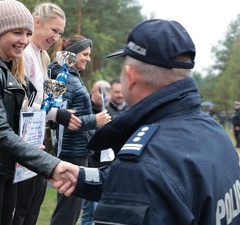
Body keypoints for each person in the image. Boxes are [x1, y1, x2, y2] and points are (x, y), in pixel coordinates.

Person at [53, 19, 240, 225]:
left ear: (130, 76)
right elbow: (176, 187)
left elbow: (150, 178)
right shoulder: (215, 133)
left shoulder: (142, 164)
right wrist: (85, 178)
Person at [0, 1, 77, 225]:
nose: (24, 40)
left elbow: (19, 116)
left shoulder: (10, 65)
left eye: (28, 33)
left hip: (5, 166)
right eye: (16, 32)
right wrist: (50, 164)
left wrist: (28, 138)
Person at [12, 3, 74, 225]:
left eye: (60, 33)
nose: (57, 37)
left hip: (38, 139)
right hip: (23, 140)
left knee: (33, 206)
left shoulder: (42, 56)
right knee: (21, 208)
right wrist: (57, 114)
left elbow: (41, 102)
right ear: (37, 22)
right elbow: (22, 104)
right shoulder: (24, 54)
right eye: (54, 30)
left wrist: (57, 113)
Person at [49, 35, 111, 225]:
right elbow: (61, 119)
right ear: (72, 54)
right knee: (67, 212)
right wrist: (95, 120)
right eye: (85, 54)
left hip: (77, 150)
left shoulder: (70, 76)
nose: (88, 58)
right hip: (71, 153)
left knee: (71, 211)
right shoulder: (64, 77)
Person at [80, 80, 111, 225]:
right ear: (92, 93)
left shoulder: (109, 112)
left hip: (106, 166)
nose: (105, 96)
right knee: (90, 211)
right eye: (101, 91)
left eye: (108, 92)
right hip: (91, 165)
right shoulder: (87, 111)